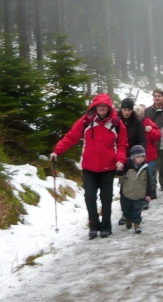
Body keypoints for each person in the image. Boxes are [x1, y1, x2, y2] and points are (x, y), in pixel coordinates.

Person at [50, 93, 128, 239]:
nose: (102, 108)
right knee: (89, 196)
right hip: (89, 166)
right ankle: (93, 225)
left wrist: (120, 160)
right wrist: (57, 151)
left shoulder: (117, 124)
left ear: (109, 107)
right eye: (99, 105)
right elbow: (71, 137)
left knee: (106, 198)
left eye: (104, 106)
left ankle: (106, 226)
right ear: (95, 107)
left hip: (108, 167)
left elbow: (122, 145)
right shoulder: (86, 121)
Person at [117, 97, 147, 226]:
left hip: (134, 159)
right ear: (121, 109)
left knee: (134, 186)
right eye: (124, 109)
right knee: (123, 186)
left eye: (129, 110)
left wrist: (138, 156)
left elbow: (142, 140)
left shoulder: (137, 123)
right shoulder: (116, 121)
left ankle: (134, 213)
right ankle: (125, 212)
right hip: (121, 159)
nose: (126, 112)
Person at [116, 145, 152, 234]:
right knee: (126, 209)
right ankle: (128, 218)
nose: (140, 159)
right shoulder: (127, 166)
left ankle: (137, 224)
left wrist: (148, 194)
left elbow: (148, 181)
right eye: (138, 157)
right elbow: (120, 176)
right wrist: (120, 170)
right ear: (133, 157)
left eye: (142, 157)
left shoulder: (145, 168)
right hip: (127, 193)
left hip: (139, 193)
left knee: (137, 209)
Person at [134, 105, 161, 209]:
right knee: (139, 179)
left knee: (150, 176)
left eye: (140, 117)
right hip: (137, 157)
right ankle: (142, 197)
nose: (138, 119)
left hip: (150, 155)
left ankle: (150, 194)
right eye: (137, 117)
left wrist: (151, 131)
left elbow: (158, 136)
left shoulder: (148, 123)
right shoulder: (132, 125)